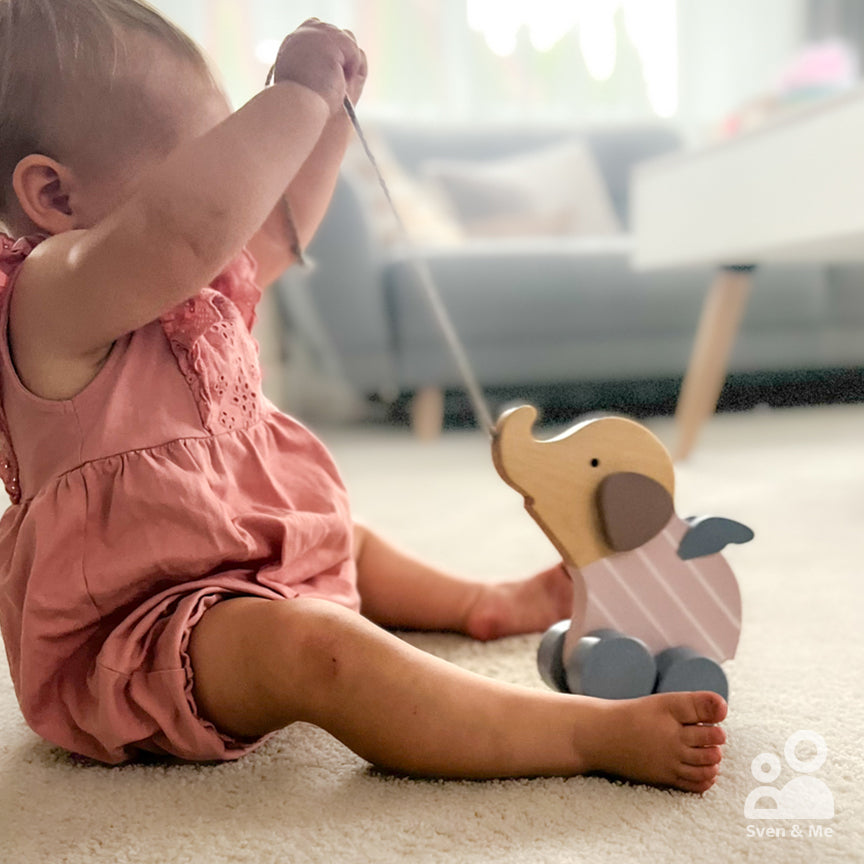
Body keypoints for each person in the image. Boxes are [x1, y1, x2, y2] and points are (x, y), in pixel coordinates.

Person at [0, 1, 726, 792]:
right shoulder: (51, 294)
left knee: (344, 538)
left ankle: (480, 603)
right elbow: (185, 228)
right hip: (148, 633)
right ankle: (581, 736)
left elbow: (270, 230)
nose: (231, 177)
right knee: (316, 649)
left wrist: (328, 115)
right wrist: (293, 98)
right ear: (56, 198)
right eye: (203, 155)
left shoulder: (190, 286)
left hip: (247, 555)